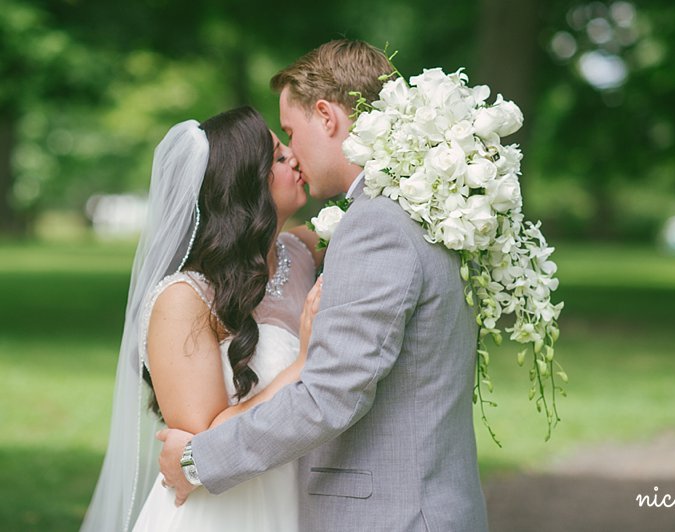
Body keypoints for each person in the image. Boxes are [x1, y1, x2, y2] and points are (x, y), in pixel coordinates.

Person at [158, 39, 490, 531]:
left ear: (327, 117)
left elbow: (330, 395)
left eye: (290, 131)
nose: (291, 153)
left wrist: (197, 461)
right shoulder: (428, 211)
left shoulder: (376, 225)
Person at [81, 106, 324, 531]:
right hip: (224, 512)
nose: (297, 160)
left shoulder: (300, 253)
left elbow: (368, 210)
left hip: (298, 496)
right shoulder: (184, 299)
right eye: (281, 158)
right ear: (247, 186)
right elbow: (204, 449)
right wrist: (304, 366)